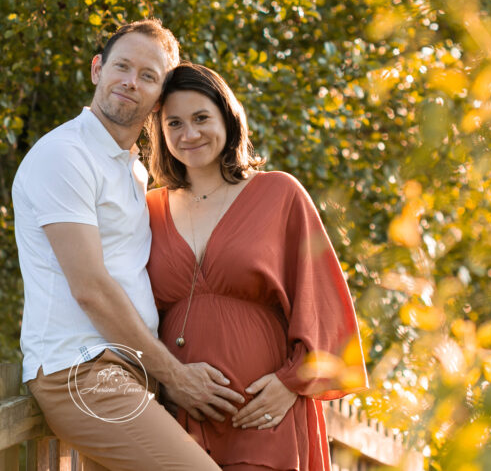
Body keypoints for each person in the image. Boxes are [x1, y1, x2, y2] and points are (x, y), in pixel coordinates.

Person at [12, 20, 243, 470]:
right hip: (81, 371)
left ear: (159, 99)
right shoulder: (65, 155)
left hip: (127, 373)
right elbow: (90, 288)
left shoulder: (133, 170)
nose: (130, 82)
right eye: (122, 66)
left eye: (148, 76)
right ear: (98, 69)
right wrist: (174, 376)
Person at [145, 62, 369, 470]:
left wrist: (290, 386)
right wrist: (169, 381)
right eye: (174, 123)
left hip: (264, 414)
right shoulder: (147, 209)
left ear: (228, 120)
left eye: (200, 118)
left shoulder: (279, 194)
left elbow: (323, 305)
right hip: (180, 417)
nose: (188, 134)